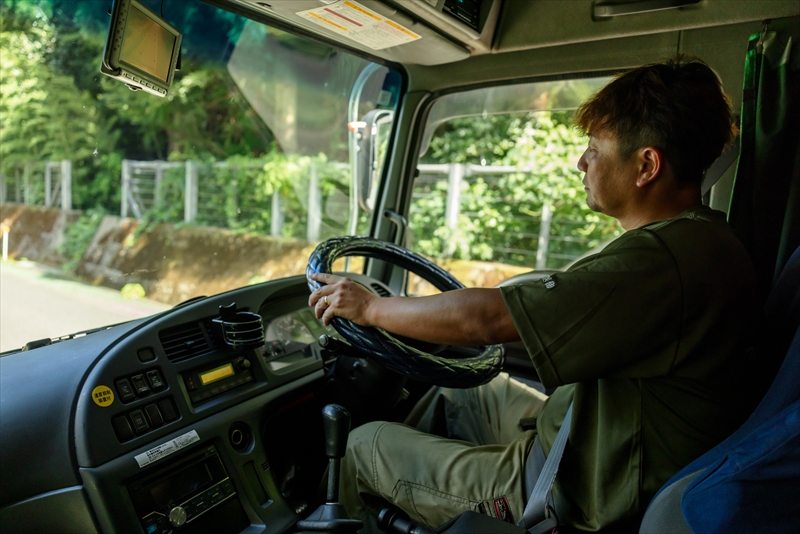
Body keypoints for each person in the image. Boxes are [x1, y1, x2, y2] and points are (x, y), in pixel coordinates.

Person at [308, 56, 770, 533]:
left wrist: (371, 307)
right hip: (590, 436)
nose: (581, 162)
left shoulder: (659, 263)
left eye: (595, 147)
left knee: (362, 447)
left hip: (571, 488)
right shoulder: (702, 240)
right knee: (460, 396)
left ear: (646, 165)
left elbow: (486, 322)